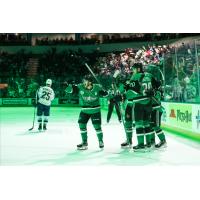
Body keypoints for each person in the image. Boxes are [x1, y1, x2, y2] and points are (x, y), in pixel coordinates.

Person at [65, 75, 107, 150]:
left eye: (85, 80)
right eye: (83, 80)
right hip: (84, 110)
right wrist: (70, 85)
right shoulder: (80, 86)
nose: (83, 82)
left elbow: (106, 95)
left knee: (97, 126)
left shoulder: (97, 87)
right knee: (81, 124)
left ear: (90, 82)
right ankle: (84, 142)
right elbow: (68, 91)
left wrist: (105, 94)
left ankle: (100, 141)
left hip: (95, 110)